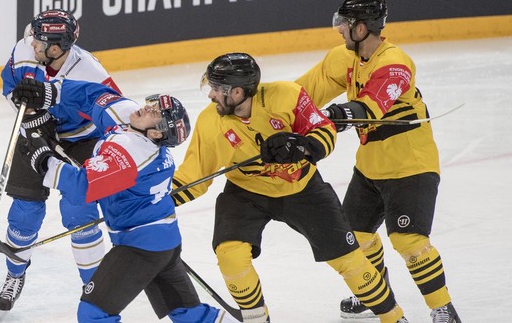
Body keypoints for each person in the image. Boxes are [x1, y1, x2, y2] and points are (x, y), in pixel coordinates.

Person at [170, 53, 408, 323]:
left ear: (237, 91)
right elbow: (193, 176)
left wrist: (303, 146)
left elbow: (324, 129)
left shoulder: (285, 95)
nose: (211, 95)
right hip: (246, 193)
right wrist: (158, 201)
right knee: (230, 254)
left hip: (303, 188)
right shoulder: (209, 122)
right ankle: (257, 319)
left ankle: (394, 317)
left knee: (349, 260)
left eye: (216, 88)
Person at [11, 78, 239, 323]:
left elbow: (83, 187)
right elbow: (96, 96)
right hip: (163, 242)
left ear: (155, 132)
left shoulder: (132, 152)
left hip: (139, 248)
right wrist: (51, 91)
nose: (148, 108)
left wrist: (44, 160)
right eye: (154, 104)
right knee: (189, 315)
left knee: (93, 314)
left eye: (156, 113)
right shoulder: (135, 124)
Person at [296, 0, 461, 323]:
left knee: (409, 241)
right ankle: (378, 295)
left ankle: (442, 308)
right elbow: (299, 95)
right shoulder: (344, 59)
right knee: (354, 239)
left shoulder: (395, 64)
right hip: (370, 166)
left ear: (360, 29)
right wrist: (271, 116)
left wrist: (339, 113)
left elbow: (370, 106)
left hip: (410, 165)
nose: (339, 31)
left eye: (344, 25)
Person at [0, 9, 123, 319]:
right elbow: (10, 88)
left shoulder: (89, 71)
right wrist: (32, 121)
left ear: (57, 48)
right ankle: (14, 275)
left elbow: (116, 114)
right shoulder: (26, 49)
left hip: (82, 141)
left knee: (81, 213)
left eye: (40, 42)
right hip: (33, 134)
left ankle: (93, 289)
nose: (32, 44)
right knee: (25, 213)